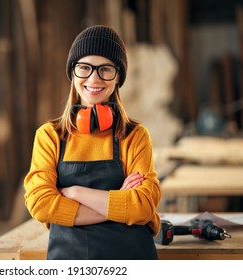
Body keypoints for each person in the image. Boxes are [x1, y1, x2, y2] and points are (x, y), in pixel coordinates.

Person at [24, 25, 161, 260]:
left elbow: (144, 206)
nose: (94, 79)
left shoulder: (135, 135)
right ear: (73, 73)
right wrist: (118, 202)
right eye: (84, 68)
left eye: (105, 69)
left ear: (118, 77)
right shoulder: (49, 136)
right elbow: (41, 204)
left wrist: (73, 192)